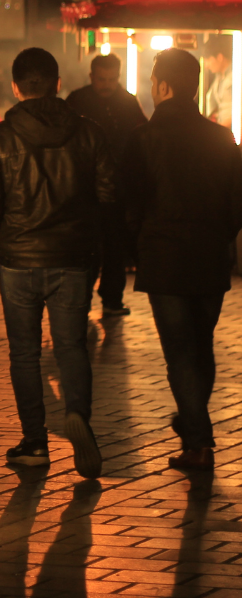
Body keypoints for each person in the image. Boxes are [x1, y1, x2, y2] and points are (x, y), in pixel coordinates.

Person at [0, 47, 113, 478]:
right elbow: (109, 196)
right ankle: (78, 416)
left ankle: (34, 442)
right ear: (58, 84)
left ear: (16, 87)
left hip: (18, 259)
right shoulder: (89, 133)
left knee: (25, 353)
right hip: (73, 257)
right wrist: (90, 243)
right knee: (71, 346)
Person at [119, 48, 242, 471]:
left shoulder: (143, 138)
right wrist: (221, 236)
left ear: (163, 86)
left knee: (180, 352)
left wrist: (138, 242)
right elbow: (236, 201)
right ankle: (193, 431)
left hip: (164, 256)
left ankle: (199, 438)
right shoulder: (221, 138)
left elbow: (130, 201)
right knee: (201, 345)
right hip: (210, 256)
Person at [67, 51, 147, 315]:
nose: (107, 85)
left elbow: (140, 138)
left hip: (116, 187)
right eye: (102, 79)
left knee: (114, 246)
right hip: (86, 188)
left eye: (112, 79)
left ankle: (110, 299)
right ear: (92, 76)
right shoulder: (78, 101)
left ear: (119, 77)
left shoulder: (127, 102)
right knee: (89, 247)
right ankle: (87, 299)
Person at [203, 36, 232, 127]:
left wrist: (219, 130)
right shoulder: (218, 78)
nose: (206, 65)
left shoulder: (237, 76)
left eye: (208, 59)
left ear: (219, 57)